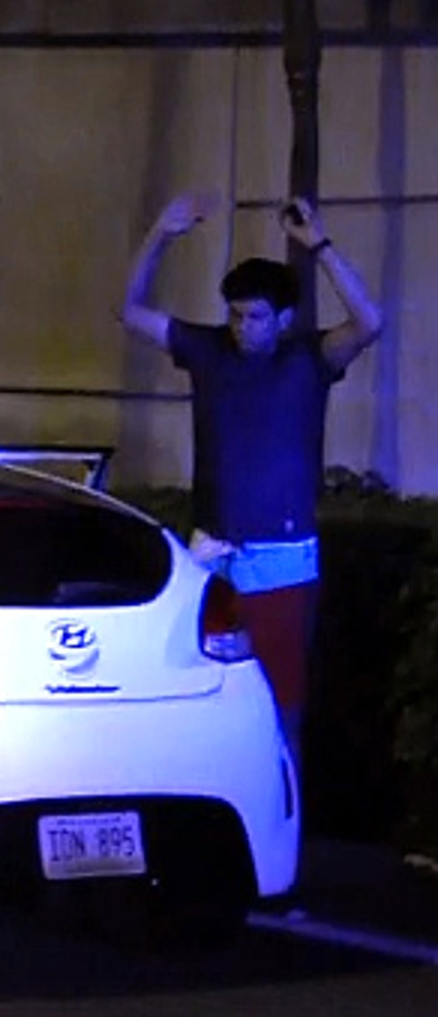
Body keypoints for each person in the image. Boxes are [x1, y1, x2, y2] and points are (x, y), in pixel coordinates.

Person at [119, 194, 383, 768]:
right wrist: (161, 232)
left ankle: (281, 827)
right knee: (193, 694)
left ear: (284, 319)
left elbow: (369, 321)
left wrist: (320, 245)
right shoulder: (209, 350)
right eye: (236, 315)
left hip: (281, 556)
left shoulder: (307, 359)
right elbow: (131, 309)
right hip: (212, 547)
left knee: (278, 703)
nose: (243, 327)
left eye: (256, 316)